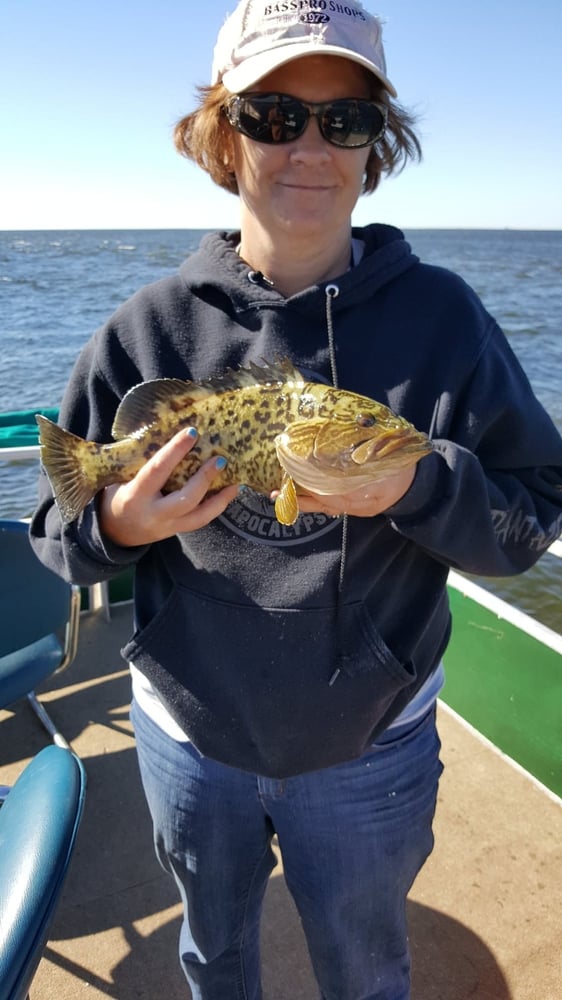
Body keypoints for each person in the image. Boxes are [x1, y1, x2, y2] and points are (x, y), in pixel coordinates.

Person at [30, 1, 562, 997]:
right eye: (274, 115)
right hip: (187, 737)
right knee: (213, 952)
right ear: (223, 134)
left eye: (345, 121)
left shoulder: (445, 319)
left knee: (365, 969)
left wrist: (415, 482)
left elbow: (530, 516)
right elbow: (61, 539)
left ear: (377, 146)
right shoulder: (144, 330)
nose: (310, 148)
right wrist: (116, 520)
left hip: (374, 744)